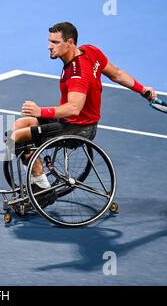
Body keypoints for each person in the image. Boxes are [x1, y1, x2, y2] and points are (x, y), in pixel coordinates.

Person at [9, 21, 156, 206]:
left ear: (69, 42)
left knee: (16, 137)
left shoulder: (77, 74)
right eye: (49, 41)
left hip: (78, 127)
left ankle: (43, 188)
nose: (49, 46)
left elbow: (73, 108)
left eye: (54, 42)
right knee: (19, 125)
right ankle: (37, 184)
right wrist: (143, 90)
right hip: (75, 120)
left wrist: (40, 111)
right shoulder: (90, 51)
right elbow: (116, 74)